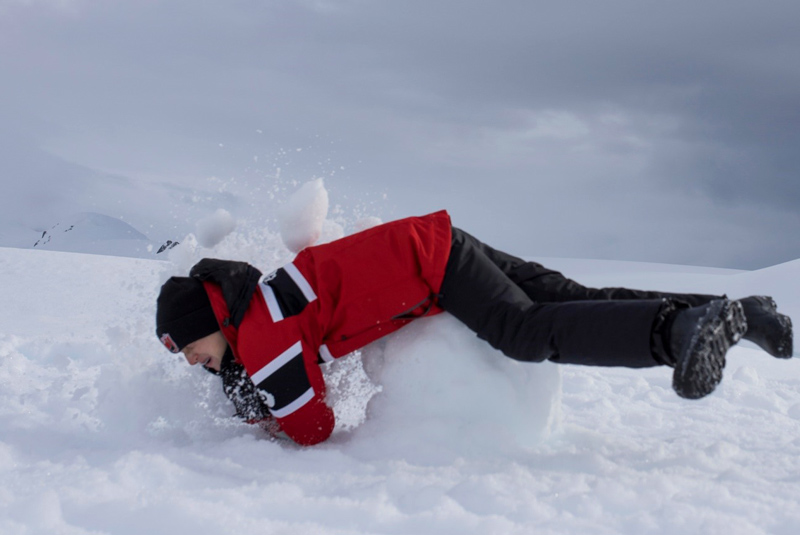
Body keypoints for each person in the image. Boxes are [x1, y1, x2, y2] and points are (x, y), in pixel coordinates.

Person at [155, 210, 793, 446]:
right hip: (434, 242)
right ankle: (739, 312)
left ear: (209, 319)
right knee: (575, 299)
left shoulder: (260, 338)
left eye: (189, 347)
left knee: (525, 331)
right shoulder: (260, 300)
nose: (190, 361)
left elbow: (312, 428)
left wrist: (261, 417)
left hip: (432, 269)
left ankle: (680, 336)